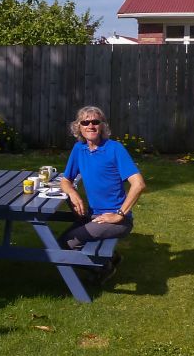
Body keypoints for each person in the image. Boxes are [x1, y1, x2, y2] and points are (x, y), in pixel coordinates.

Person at [57, 106, 146, 279]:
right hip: (93, 215)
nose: (90, 126)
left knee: (66, 245)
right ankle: (112, 257)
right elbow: (66, 180)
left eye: (95, 122)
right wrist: (73, 193)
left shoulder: (115, 149)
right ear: (79, 127)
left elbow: (139, 184)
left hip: (117, 221)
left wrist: (119, 214)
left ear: (102, 126)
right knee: (61, 242)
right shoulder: (79, 149)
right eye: (85, 122)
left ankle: (104, 267)